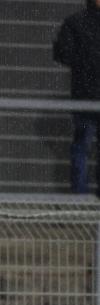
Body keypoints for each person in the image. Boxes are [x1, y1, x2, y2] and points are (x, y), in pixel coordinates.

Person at [53, 0, 100, 194]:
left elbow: (62, 53)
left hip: (84, 95)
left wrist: (84, 61)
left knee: (81, 146)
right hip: (85, 97)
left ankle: (80, 200)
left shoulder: (74, 23)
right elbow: (63, 53)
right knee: (82, 146)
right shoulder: (75, 23)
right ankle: (81, 200)